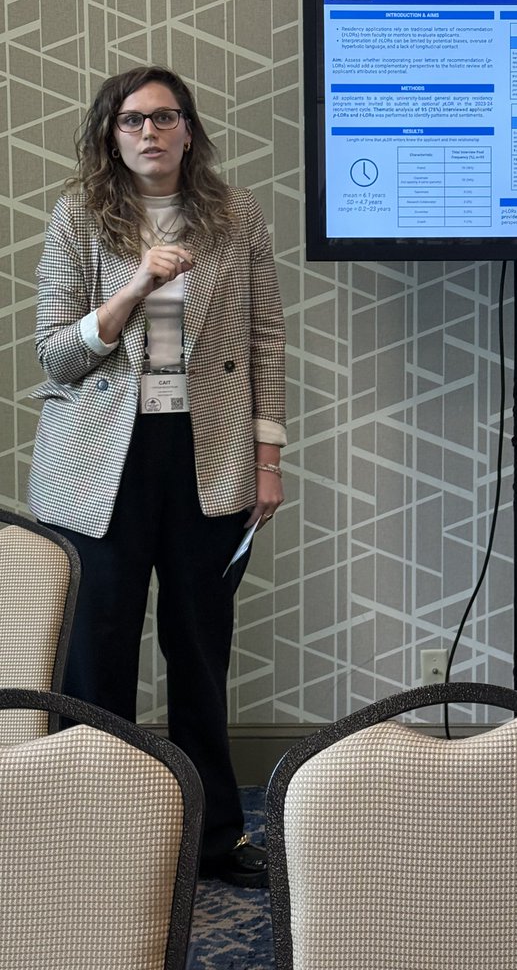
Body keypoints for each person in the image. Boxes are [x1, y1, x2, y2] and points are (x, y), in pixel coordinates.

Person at [28, 65, 286, 888]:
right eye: (133, 120)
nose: (151, 132)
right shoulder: (78, 216)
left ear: (188, 129)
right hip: (100, 458)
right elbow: (55, 355)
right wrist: (139, 283)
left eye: (166, 117)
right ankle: (91, 835)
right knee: (96, 655)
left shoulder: (236, 216)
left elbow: (266, 339)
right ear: (112, 135)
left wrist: (268, 460)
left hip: (207, 451)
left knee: (200, 652)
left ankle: (214, 838)